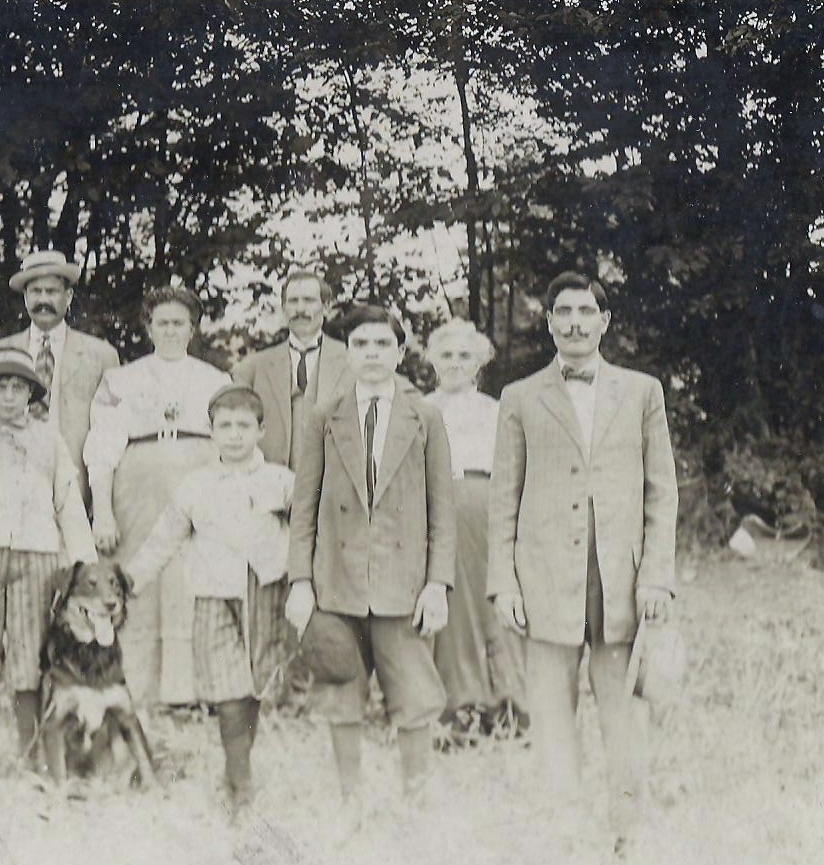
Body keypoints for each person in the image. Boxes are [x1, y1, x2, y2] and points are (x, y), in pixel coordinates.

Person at [488, 271, 677, 849]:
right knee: (550, 710)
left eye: (584, 311)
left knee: (622, 710)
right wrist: (504, 583)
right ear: (547, 322)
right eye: (562, 311)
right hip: (545, 577)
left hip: (619, 580)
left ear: (604, 321)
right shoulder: (519, 398)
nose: (573, 322)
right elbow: (503, 497)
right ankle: (562, 826)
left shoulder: (642, 392)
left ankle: (628, 829)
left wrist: (657, 578)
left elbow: (661, 492)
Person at [286, 303, 455, 826]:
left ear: (400, 352)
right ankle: (350, 801)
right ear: (347, 353)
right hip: (336, 583)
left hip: (403, 585)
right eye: (361, 344)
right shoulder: (324, 415)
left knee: (415, 691)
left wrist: (437, 584)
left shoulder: (424, 415)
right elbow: (304, 506)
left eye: (383, 344)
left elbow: (441, 509)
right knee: (340, 688)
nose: (372, 355)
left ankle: (418, 797)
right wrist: (299, 581)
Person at [126, 384, 295, 819]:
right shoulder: (195, 485)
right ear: (211, 431)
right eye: (225, 426)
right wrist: (132, 580)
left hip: (265, 594)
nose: (235, 435)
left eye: (244, 426)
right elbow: (164, 538)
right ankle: (240, 784)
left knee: (254, 686)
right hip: (213, 596)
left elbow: (305, 534)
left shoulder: (281, 480)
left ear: (261, 430)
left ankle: (237, 768)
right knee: (228, 690)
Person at [0, 348, 97, 805]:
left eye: (18, 387)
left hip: (36, 556)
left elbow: (67, 501)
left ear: (31, 393)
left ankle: (30, 760)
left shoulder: (49, 441)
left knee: (29, 659)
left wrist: (82, 563)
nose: (9, 397)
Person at [85, 286, 233, 706]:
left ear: (193, 328)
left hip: (197, 479)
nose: (170, 330)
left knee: (191, 579)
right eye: (162, 323)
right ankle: (136, 687)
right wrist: (104, 512)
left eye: (178, 323)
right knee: (139, 578)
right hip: (139, 485)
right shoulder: (121, 379)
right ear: (149, 327)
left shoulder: (216, 380)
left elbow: (230, 443)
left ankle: (191, 692)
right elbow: (102, 447)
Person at [424, 319, 527, 743]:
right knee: (447, 605)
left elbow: (513, 469)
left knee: (492, 600)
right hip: (431, 508)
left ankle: (509, 704)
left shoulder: (495, 410)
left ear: (480, 362)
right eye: (445, 355)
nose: (454, 363)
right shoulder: (418, 407)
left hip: (481, 505)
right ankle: (459, 705)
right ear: (431, 360)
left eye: (464, 355)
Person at [0, 249, 119, 506]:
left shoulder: (101, 355)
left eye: (52, 291)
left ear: (68, 296)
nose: (43, 299)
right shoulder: (0, 352)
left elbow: (111, 433)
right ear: (25, 297)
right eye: (36, 292)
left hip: (75, 485)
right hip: (12, 483)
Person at [231, 269, 351, 468]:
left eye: (309, 300)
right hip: (273, 483)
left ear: (327, 307)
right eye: (293, 301)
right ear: (283, 309)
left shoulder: (352, 362)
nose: (300, 309)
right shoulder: (253, 368)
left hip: (335, 483)